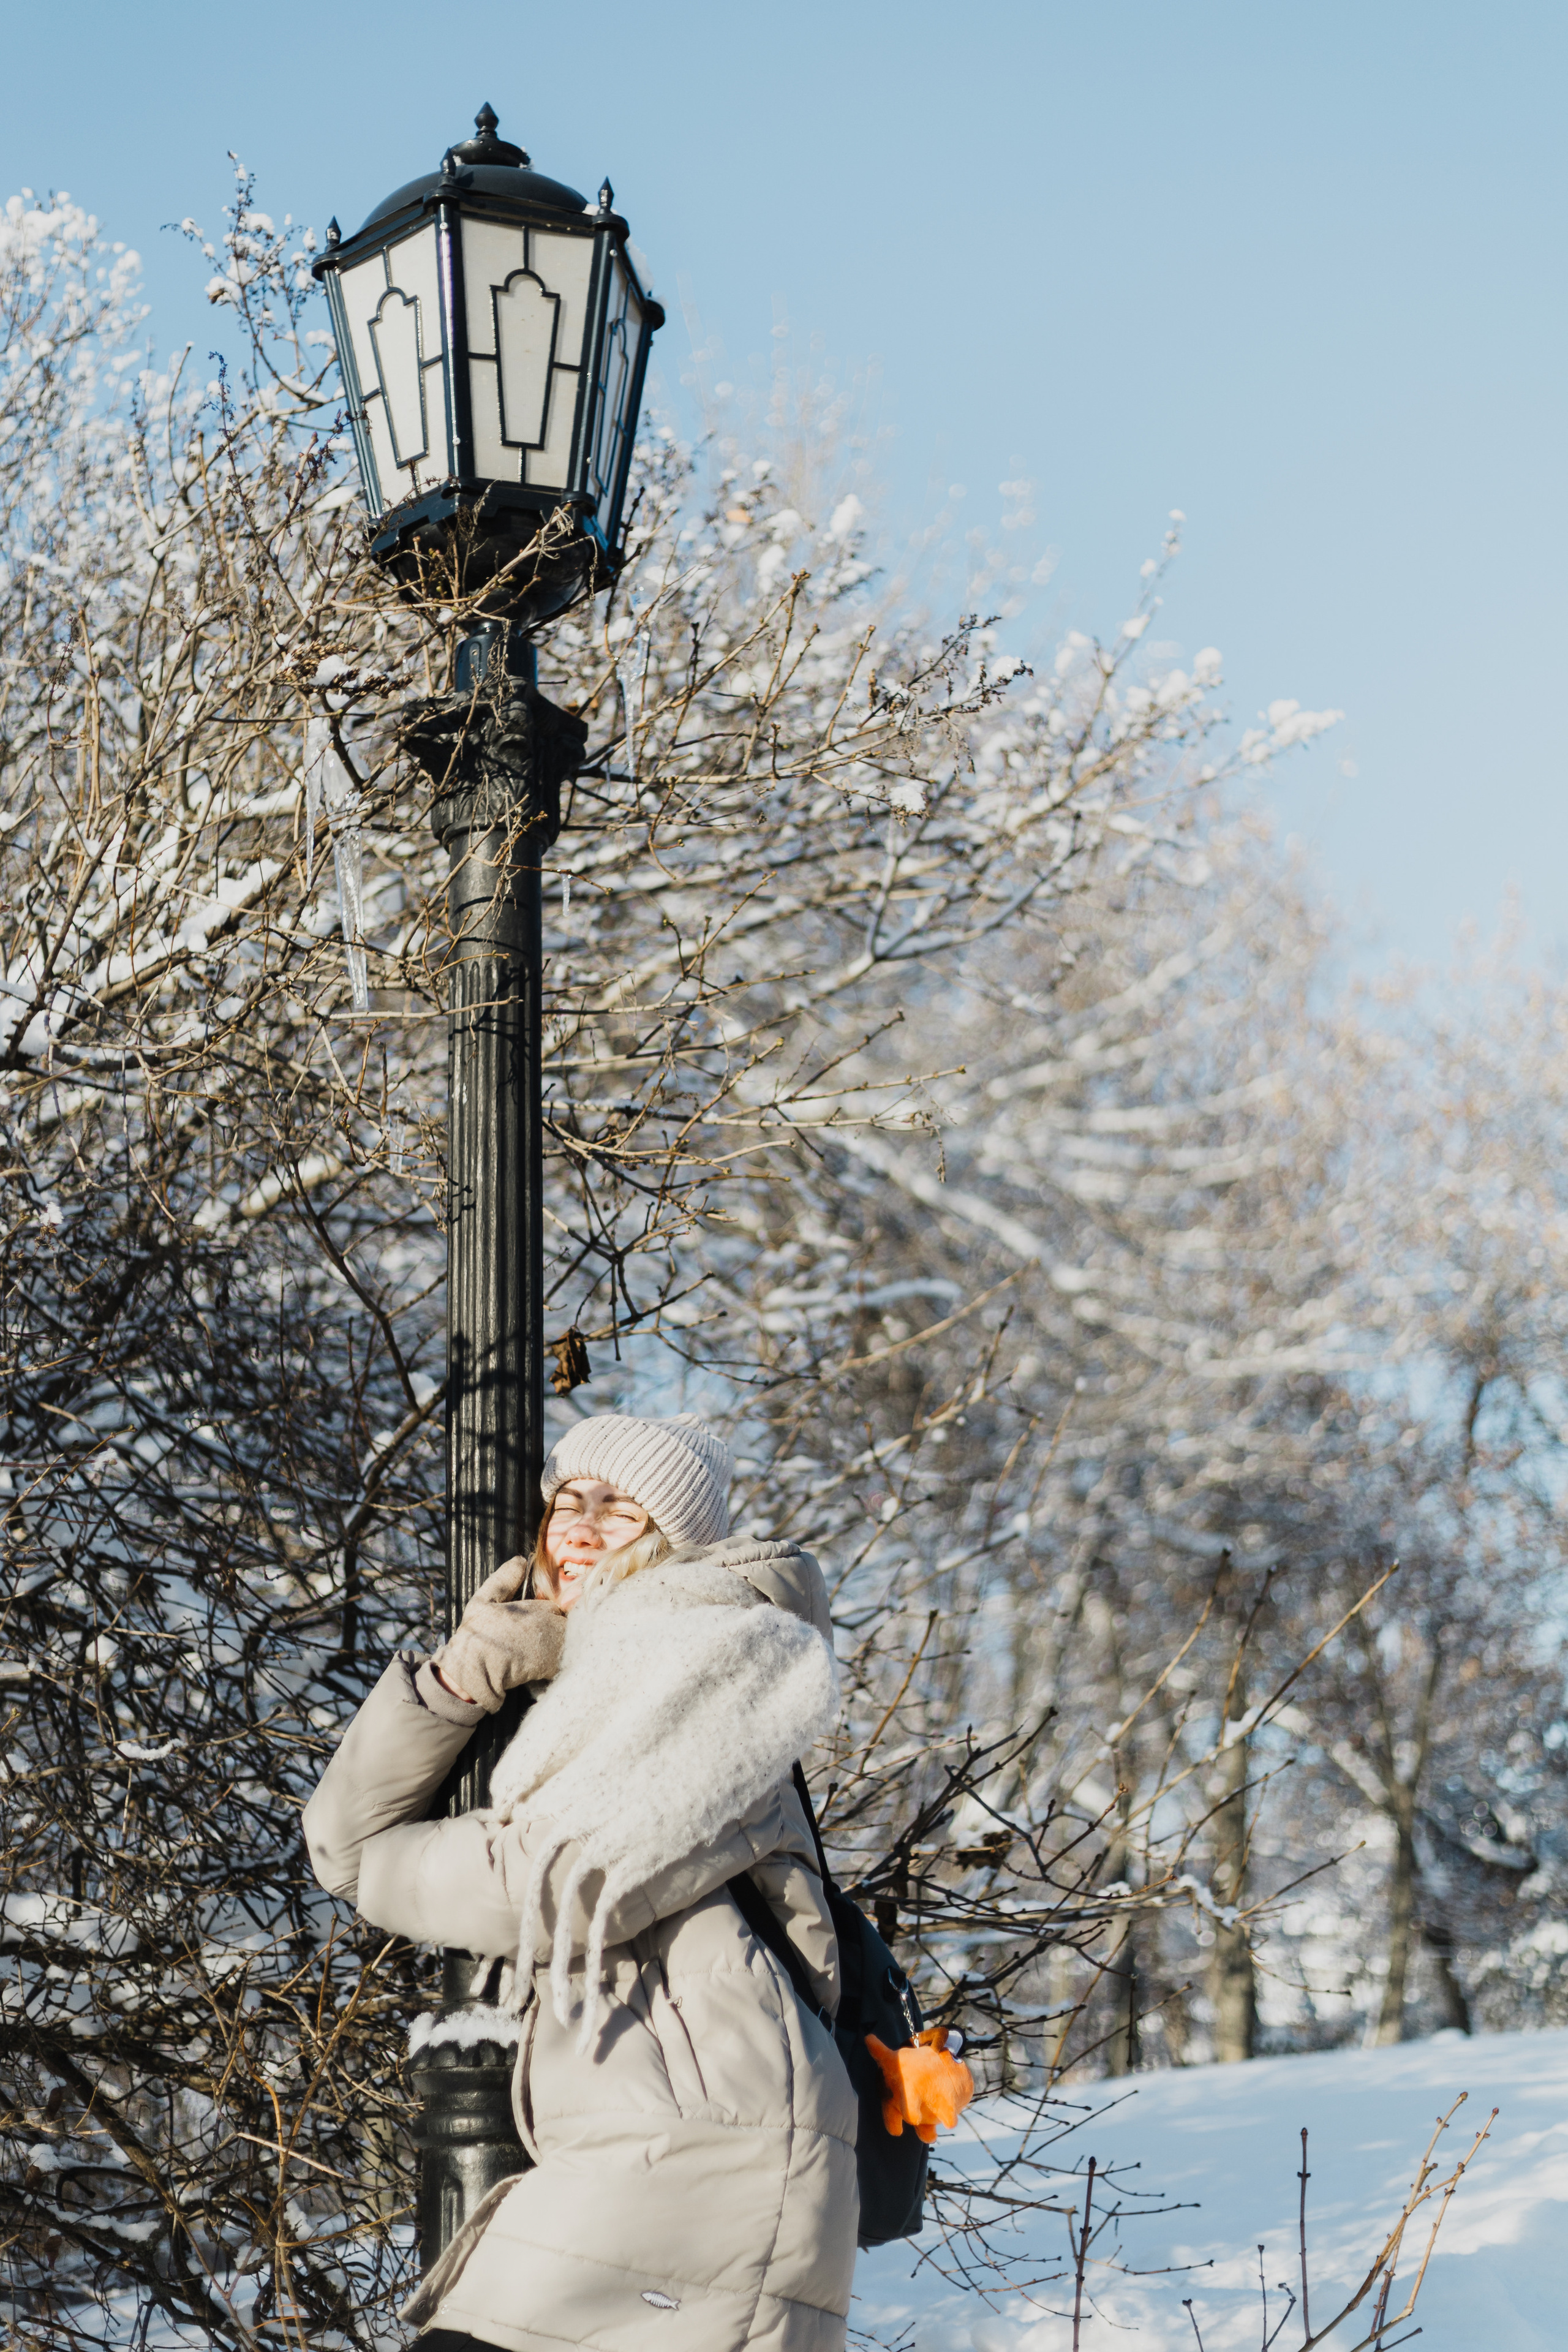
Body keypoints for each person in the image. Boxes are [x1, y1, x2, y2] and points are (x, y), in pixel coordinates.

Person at [303, 1411, 859, 2352]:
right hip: (648, 2125)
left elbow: (542, 1881)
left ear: (677, 1542)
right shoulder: (607, 1673)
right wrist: (462, 1678)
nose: (582, 1523)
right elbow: (340, 1838)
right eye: (570, 1498)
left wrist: (385, 1865)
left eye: (623, 1508)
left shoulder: (724, 1659)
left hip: (709, 2142)